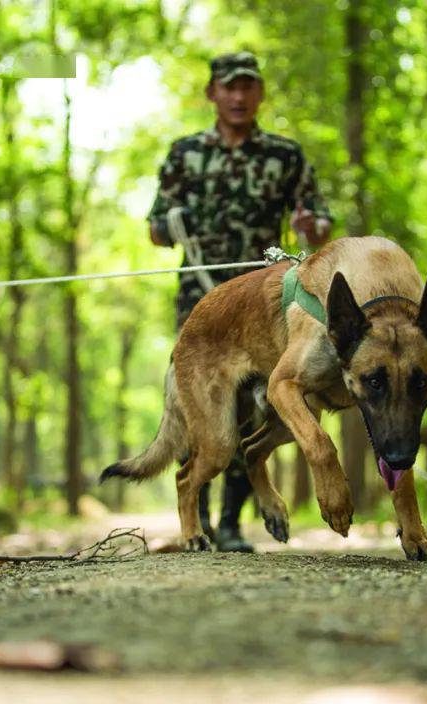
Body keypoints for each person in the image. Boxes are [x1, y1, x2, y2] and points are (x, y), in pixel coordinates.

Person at [147, 52, 333, 552]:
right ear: (212, 93)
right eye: (229, 87)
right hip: (200, 297)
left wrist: (312, 226)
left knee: (253, 405)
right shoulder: (185, 154)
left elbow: (318, 217)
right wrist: (172, 224)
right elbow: (155, 227)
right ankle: (197, 519)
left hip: (262, 294)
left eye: (248, 86)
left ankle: (231, 523)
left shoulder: (285, 155)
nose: (238, 96)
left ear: (259, 93)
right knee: (203, 403)